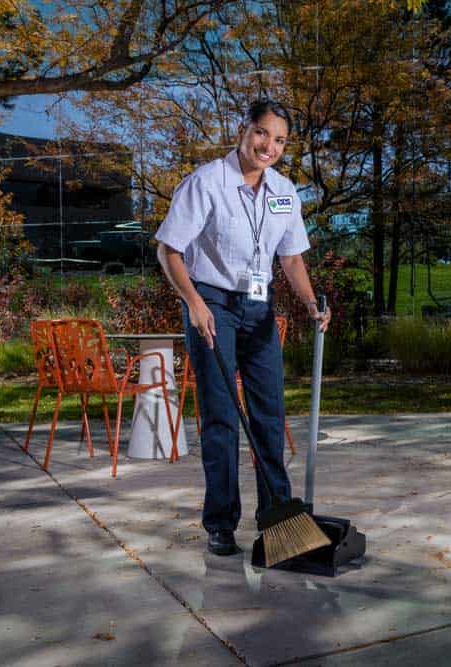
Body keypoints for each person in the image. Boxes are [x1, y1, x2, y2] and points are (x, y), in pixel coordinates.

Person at [155, 99, 330, 557]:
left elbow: (290, 258)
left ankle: (277, 519)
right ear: (243, 129)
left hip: (259, 306)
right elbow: (168, 250)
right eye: (261, 134)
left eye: (279, 140)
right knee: (221, 416)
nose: (268, 146)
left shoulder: (285, 192)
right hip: (211, 302)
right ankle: (221, 523)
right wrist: (193, 302)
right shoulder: (206, 184)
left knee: (269, 415)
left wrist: (311, 303)